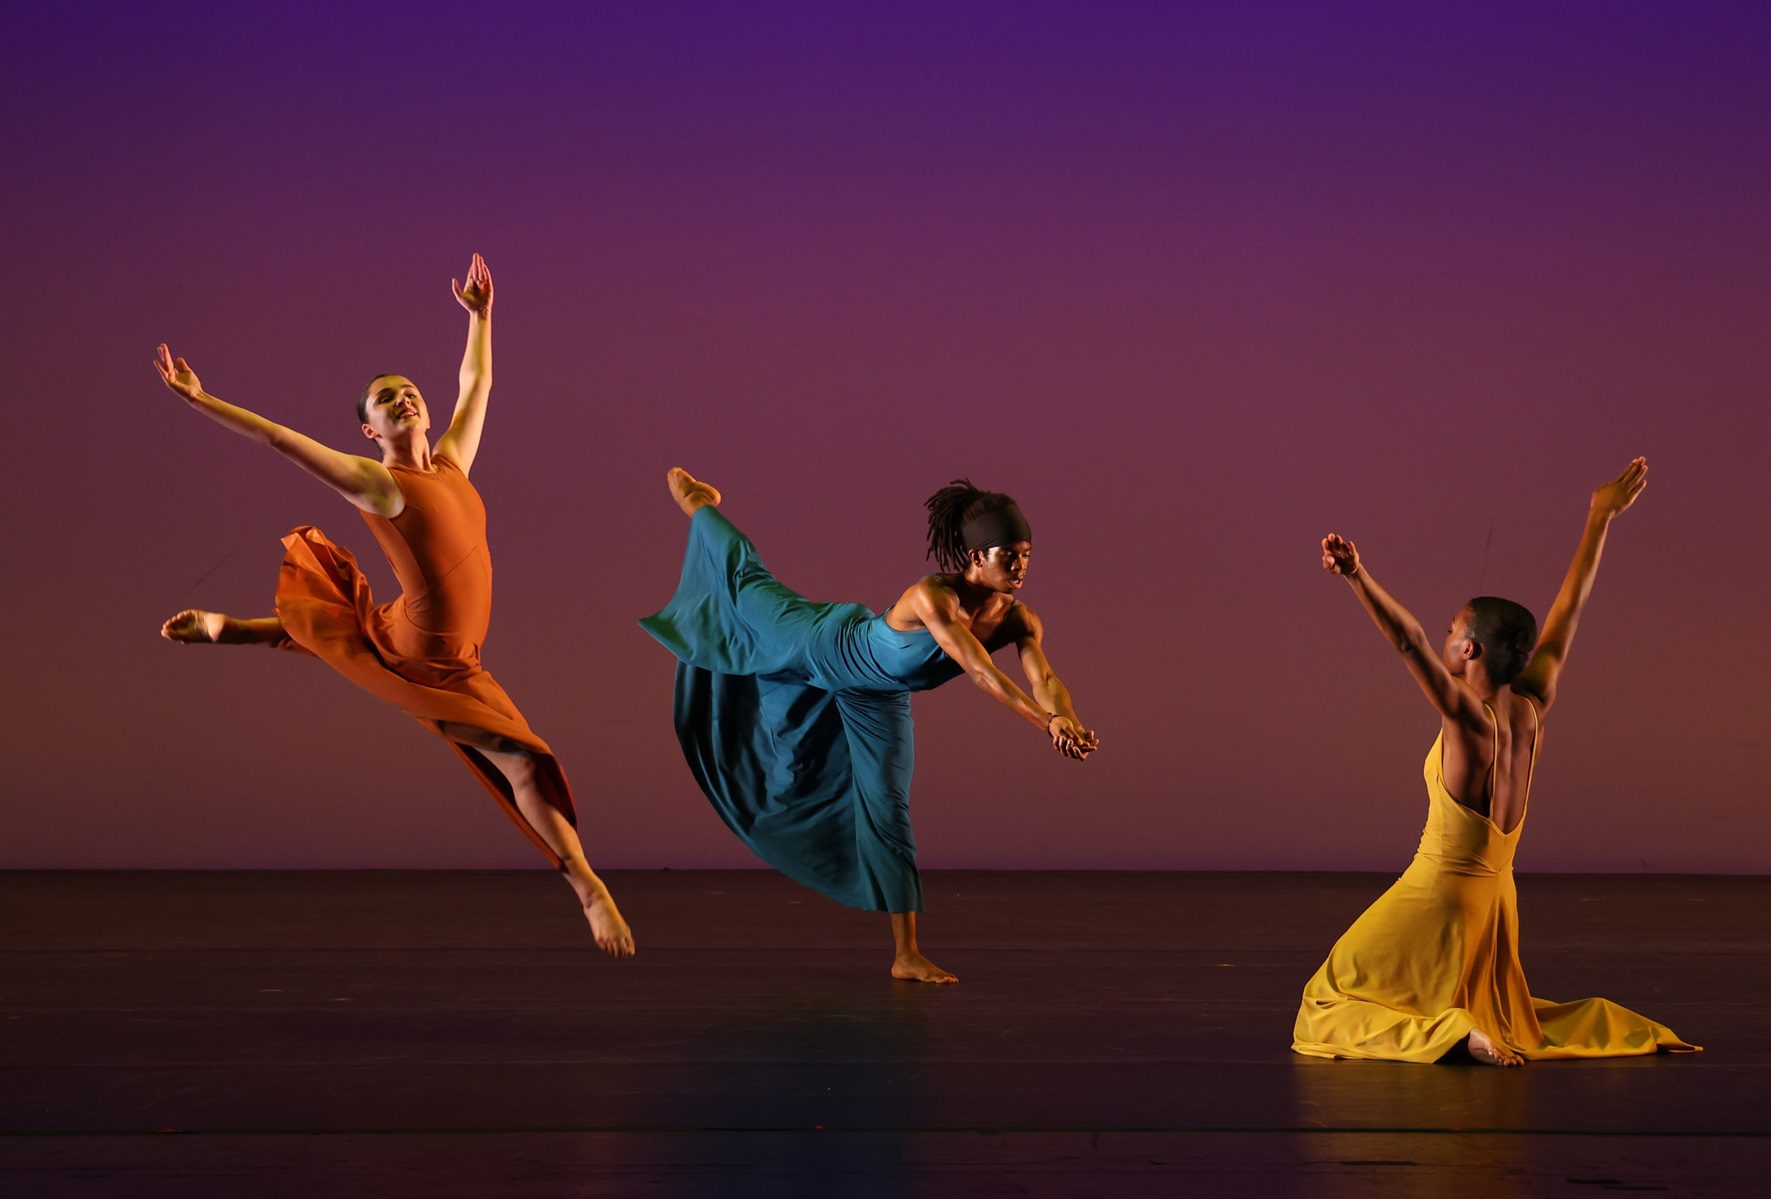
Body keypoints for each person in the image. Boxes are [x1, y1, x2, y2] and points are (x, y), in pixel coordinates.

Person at [154, 254, 633, 957]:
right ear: (369, 431)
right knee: (524, 759)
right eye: (386, 399)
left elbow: (479, 381)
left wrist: (480, 317)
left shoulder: (451, 464)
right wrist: (202, 400)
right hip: (431, 659)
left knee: (361, 628)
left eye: (409, 391)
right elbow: (280, 439)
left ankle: (235, 629)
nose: (404, 398)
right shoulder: (378, 484)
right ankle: (588, 887)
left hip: (441, 642)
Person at [1292, 457, 1696, 1063]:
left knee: (1321, 1004)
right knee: (1446, 1000)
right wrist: (1598, 518)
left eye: (1453, 630)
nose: (1445, 635)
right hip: (1494, 909)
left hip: (1439, 896)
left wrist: (1358, 576)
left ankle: (1456, 1034)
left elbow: (1409, 643)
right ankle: (1466, 1024)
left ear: (1471, 648)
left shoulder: (1467, 723)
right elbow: (1566, 619)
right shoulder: (1531, 710)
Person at [641, 470, 1098, 983]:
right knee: (748, 586)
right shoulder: (933, 597)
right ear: (975, 558)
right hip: (825, 643)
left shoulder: (1021, 619)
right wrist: (1045, 724)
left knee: (889, 808)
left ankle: (906, 955)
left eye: (1026, 554)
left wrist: (1067, 720)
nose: (1020, 566)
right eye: (1008, 555)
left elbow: (1047, 678)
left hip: (877, 698)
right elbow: (978, 669)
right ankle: (700, 505)